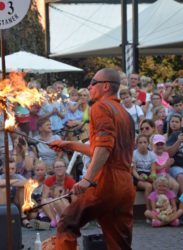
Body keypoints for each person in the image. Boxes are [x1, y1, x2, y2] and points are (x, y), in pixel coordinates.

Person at [49, 68, 136, 250]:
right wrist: (69, 145)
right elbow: (101, 150)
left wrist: (87, 179)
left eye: (93, 83)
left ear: (105, 86)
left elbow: (104, 148)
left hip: (106, 182)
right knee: (119, 244)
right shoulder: (126, 114)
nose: (89, 87)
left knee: (67, 223)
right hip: (125, 185)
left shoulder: (100, 107)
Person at [41, 160, 76, 228]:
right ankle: (54, 221)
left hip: (66, 206)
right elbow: (44, 197)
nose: (59, 168)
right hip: (53, 205)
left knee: (58, 201)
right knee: (44, 201)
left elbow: (74, 202)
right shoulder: (49, 180)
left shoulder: (71, 181)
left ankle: (65, 221)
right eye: (56, 167)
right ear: (53, 169)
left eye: (61, 166)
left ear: (65, 168)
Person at [132, 134, 156, 210]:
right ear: (137, 144)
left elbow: (153, 170)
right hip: (137, 176)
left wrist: (152, 176)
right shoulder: (134, 154)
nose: (143, 144)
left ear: (148, 143)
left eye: (145, 142)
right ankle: (148, 210)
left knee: (158, 185)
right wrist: (139, 177)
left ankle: (159, 209)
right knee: (148, 186)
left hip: (148, 175)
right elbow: (133, 170)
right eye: (140, 142)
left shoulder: (152, 154)